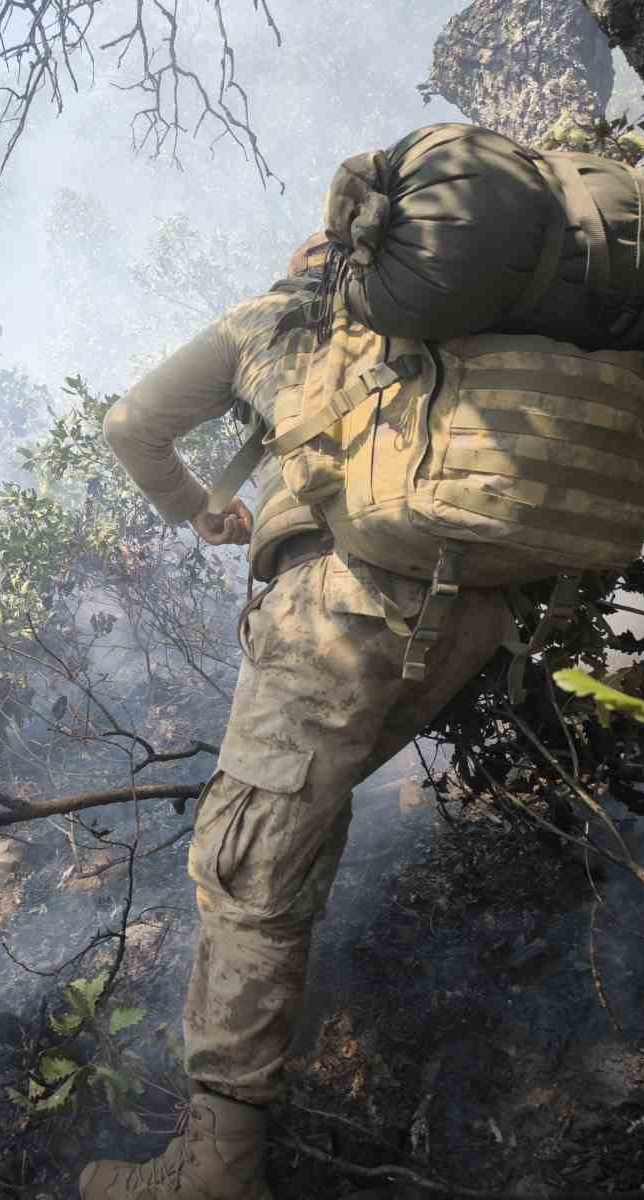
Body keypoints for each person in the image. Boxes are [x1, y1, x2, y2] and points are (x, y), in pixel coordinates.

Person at [80, 234, 514, 1200]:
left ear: (312, 260)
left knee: (245, 861)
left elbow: (130, 425)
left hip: (345, 601)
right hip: (478, 613)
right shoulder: (473, 318)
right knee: (296, 822)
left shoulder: (273, 319)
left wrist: (198, 505)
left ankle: (213, 1178)